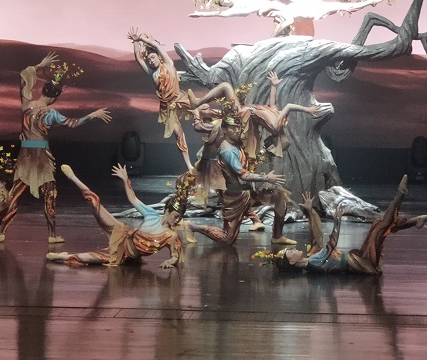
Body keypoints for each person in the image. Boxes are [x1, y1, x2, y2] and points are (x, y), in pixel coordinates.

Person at [0, 53, 112, 244]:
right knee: (49, 195)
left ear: (43, 91)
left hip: (25, 155)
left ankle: (1, 232)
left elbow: (24, 76)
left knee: (15, 194)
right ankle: (52, 235)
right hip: (42, 157)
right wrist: (92, 115)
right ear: (54, 97)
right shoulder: (51, 113)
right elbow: (73, 123)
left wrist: (39, 65)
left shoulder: (26, 105)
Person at [274, 176, 427, 273]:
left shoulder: (311, 259)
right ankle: (400, 194)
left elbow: (316, 237)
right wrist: (337, 221)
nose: (293, 249)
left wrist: (310, 212)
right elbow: (330, 245)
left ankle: (414, 221)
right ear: (292, 262)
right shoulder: (314, 263)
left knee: (379, 227)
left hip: (360, 258)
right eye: (290, 252)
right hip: (363, 263)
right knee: (379, 228)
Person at [187, 115, 296, 245]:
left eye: (238, 127)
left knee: (280, 195)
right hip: (235, 197)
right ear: (224, 130)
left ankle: (277, 236)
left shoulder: (237, 143)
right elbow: (242, 175)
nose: (237, 130)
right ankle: (192, 226)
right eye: (233, 128)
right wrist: (266, 178)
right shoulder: (228, 151)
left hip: (250, 193)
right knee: (227, 238)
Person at [46, 164, 183, 267]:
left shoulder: (171, 236)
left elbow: (175, 256)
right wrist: (125, 179)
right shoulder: (151, 214)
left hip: (123, 254)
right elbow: (133, 198)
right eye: (176, 216)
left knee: (88, 259)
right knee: (94, 201)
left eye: (180, 217)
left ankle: (63, 256)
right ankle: (73, 178)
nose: (177, 220)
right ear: (167, 211)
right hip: (121, 233)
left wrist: (170, 261)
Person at [189, 71, 332, 160]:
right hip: (244, 111)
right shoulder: (278, 124)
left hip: (242, 114)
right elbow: (272, 105)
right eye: (270, 145)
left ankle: (197, 104)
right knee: (215, 111)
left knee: (226, 87)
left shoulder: (276, 127)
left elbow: (288, 106)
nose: (267, 142)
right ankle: (199, 112)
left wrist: (307, 109)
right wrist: (274, 86)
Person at [190, 0, 384, 37]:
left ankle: (367, 2)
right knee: (288, 20)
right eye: (223, 0)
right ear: (225, 4)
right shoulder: (235, 10)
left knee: (332, 6)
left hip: (288, 7)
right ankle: (367, 3)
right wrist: (201, 14)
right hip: (283, 12)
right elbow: (220, 14)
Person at [128, 28, 194, 172]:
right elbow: (139, 58)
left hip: (180, 98)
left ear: (159, 56)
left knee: (200, 109)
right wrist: (135, 42)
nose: (151, 61)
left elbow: (156, 46)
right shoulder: (152, 72)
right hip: (167, 107)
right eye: (149, 60)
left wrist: (141, 39)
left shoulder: (169, 63)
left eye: (153, 57)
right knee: (179, 135)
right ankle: (189, 165)